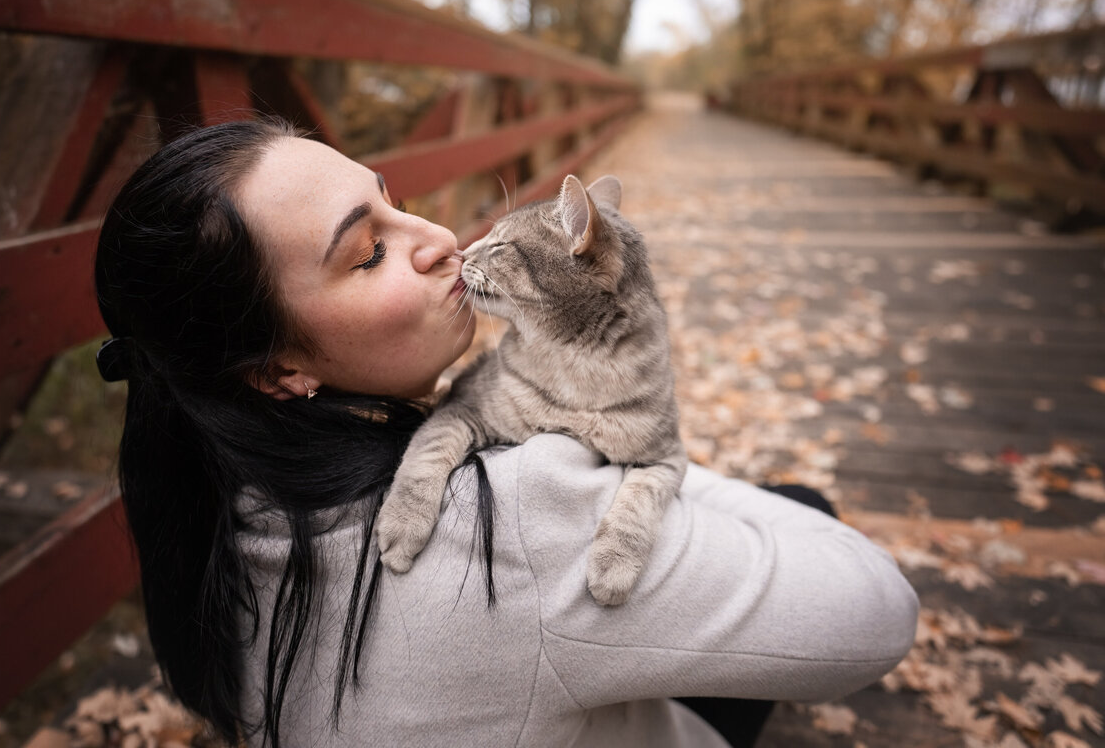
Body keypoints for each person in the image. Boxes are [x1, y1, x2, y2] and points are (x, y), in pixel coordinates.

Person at [94, 119, 919, 748]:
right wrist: (627, 447)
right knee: (799, 503)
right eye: (371, 250)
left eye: (393, 199)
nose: (443, 240)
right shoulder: (519, 514)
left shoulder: (209, 492)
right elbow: (880, 613)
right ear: (276, 372)